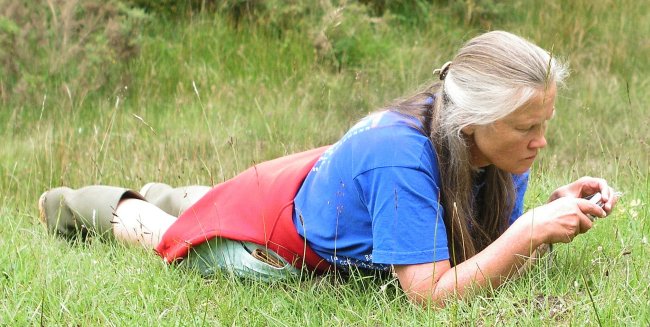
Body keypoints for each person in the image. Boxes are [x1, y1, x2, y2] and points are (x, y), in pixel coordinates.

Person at [37, 31, 619, 306]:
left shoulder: (496, 146)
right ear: (473, 120)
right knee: (170, 235)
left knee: (215, 197)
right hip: (278, 244)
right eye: (526, 128)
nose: (541, 142)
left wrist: (545, 217)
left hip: (317, 183)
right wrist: (532, 230)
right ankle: (72, 204)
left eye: (545, 123)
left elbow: (476, 247)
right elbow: (433, 297)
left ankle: (191, 196)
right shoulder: (404, 157)